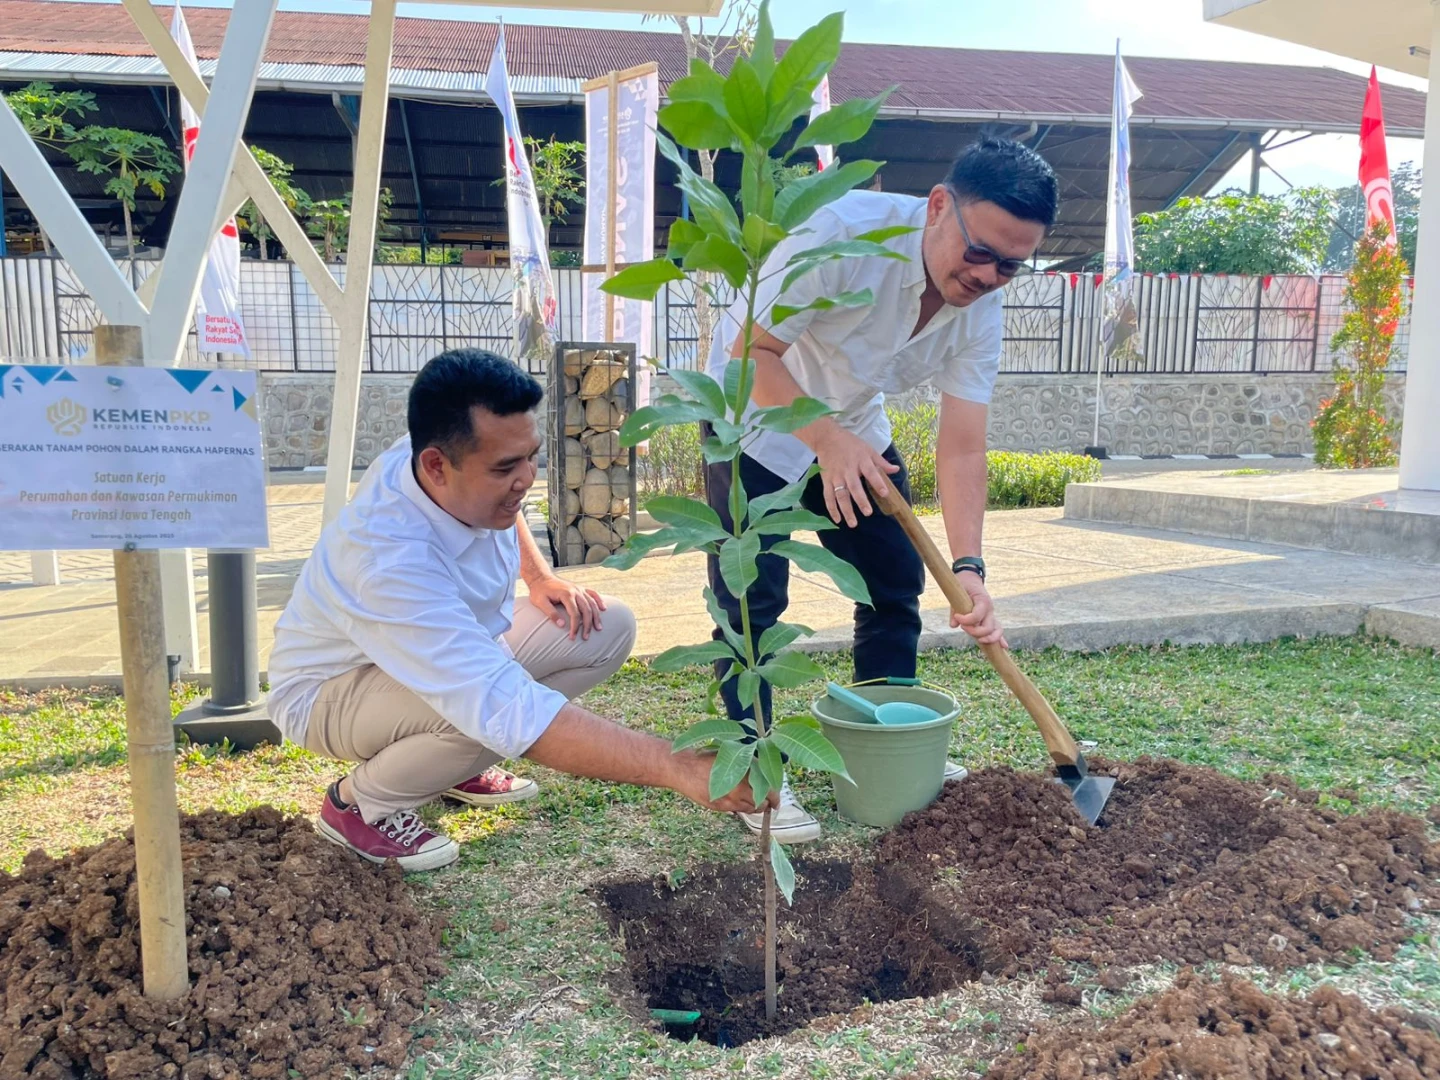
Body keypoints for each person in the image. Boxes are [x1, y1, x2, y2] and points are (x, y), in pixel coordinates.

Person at [268, 348, 774, 872]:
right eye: (506, 467)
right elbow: (501, 704)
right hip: (330, 692)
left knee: (605, 626)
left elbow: (507, 506)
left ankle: (449, 769)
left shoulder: (442, 458)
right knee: (481, 715)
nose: (527, 477)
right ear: (435, 466)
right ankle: (359, 805)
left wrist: (538, 576)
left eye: (531, 456)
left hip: (423, 657)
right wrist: (676, 767)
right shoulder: (387, 560)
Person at [704, 136, 1059, 845]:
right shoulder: (840, 234)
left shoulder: (981, 309)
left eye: (1010, 266)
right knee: (752, 605)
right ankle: (755, 772)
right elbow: (750, 355)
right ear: (938, 207)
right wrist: (825, 440)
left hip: (854, 425)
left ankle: (883, 747)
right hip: (754, 418)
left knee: (894, 581)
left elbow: (963, 444)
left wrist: (969, 568)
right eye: (980, 252)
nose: (987, 276)